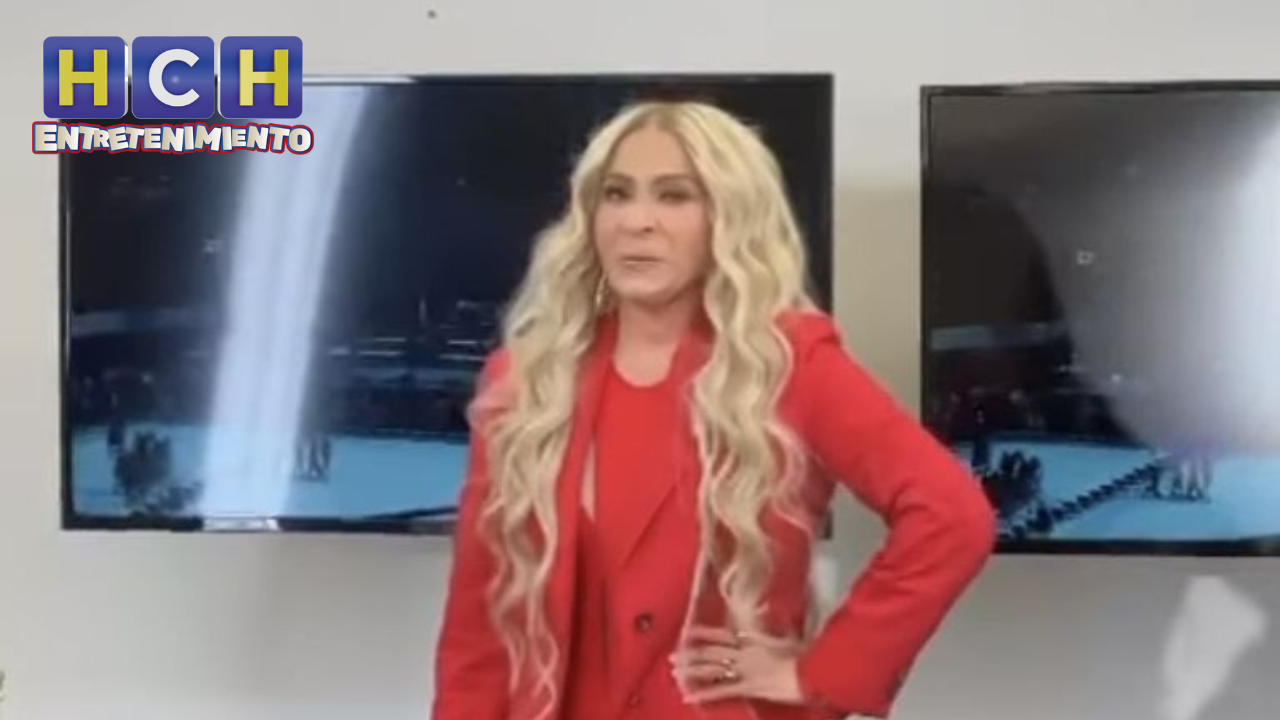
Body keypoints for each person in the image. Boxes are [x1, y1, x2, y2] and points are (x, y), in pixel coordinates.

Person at [432, 100, 996, 720]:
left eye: (674, 196)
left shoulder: (791, 365)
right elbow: (478, 632)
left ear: (729, 216)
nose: (636, 222)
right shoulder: (525, 383)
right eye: (616, 194)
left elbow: (951, 516)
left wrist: (824, 673)